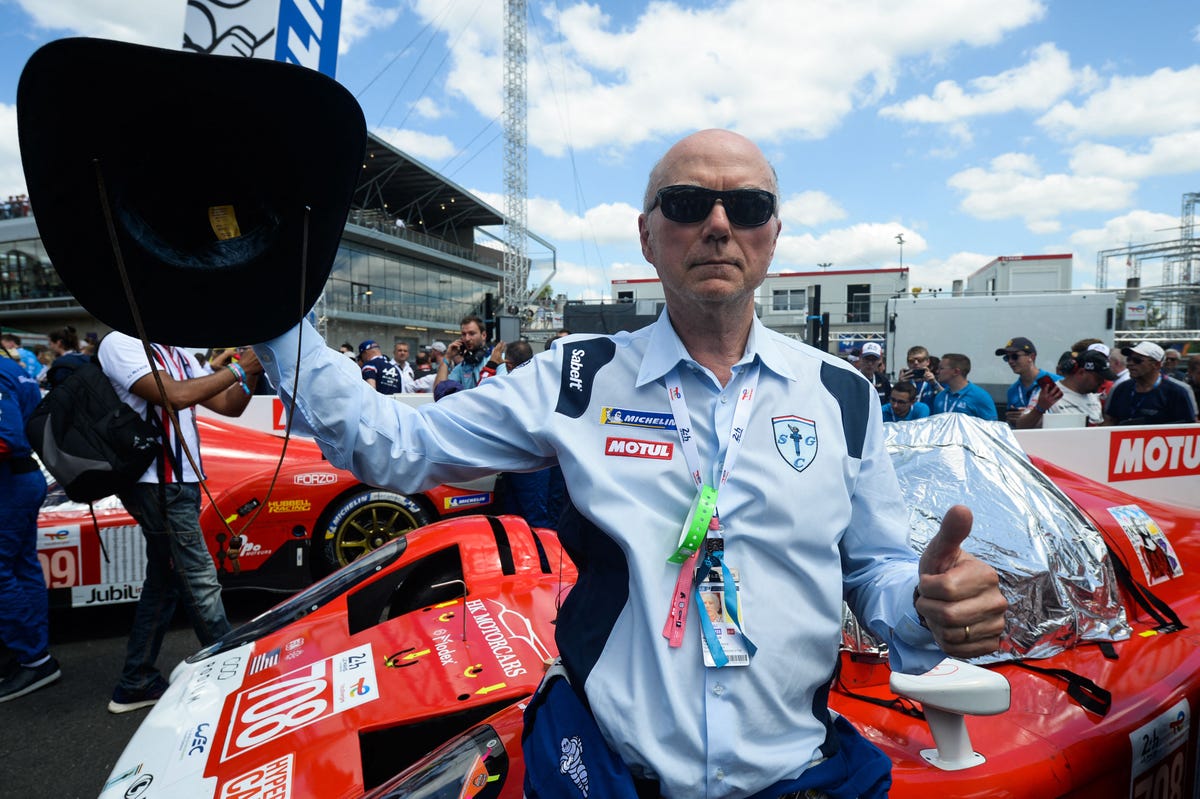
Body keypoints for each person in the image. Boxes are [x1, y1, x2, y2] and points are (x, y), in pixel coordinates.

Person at [254, 129, 1005, 798]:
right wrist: (266, 303)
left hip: (796, 775)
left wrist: (925, 604)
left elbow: (875, 571)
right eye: (686, 203)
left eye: (745, 206)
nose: (717, 223)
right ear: (647, 237)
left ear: (772, 235)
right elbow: (395, 444)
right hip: (607, 773)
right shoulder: (576, 377)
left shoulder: (843, 393)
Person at [99, 331, 264, 713]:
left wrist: (251, 373)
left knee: (166, 582)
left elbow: (230, 405)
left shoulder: (177, 351)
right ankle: (236, 678)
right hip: (156, 484)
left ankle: (135, 681)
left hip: (179, 482)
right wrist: (240, 367)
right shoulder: (119, 343)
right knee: (201, 580)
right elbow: (175, 395)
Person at [0, 352, 57, 702]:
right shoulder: (13, 367)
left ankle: (34, 657)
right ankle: (33, 654)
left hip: (9, 481)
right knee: (22, 565)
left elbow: (5, 438)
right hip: (24, 478)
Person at [1013, 349, 1115, 428]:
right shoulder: (1051, 394)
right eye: (1099, 378)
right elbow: (1021, 426)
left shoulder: (1093, 396)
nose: (1102, 382)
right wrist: (1040, 409)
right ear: (1081, 372)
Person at [1103, 341, 1198, 426]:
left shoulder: (1177, 392)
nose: (1130, 363)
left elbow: (1187, 428)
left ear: (1156, 365)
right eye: (1129, 359)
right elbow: (1110, 421)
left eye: (1137, 360)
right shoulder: (1121, 389)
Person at [996, 336, 1059, 425]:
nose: (1010, 361)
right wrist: (1012, 419)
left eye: (1015, 356)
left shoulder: (1056, 382)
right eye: (1007, 358)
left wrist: (1028, 416)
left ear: (1031, 357)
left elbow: (1063, 417)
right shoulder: (1012, 390)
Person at [435, 315, 501, 389]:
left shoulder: (498, 358)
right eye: (463, 334)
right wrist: (447, 358)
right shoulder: (463, 366)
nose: (467, 339)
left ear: (483, 335)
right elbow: (439, 391)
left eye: (471, 333)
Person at [930, 353, 998, 420]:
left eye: (941, 368)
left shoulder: (980, 396)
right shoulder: (941, 396)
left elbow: (992, 426)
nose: (937, 371)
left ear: (956, 372)